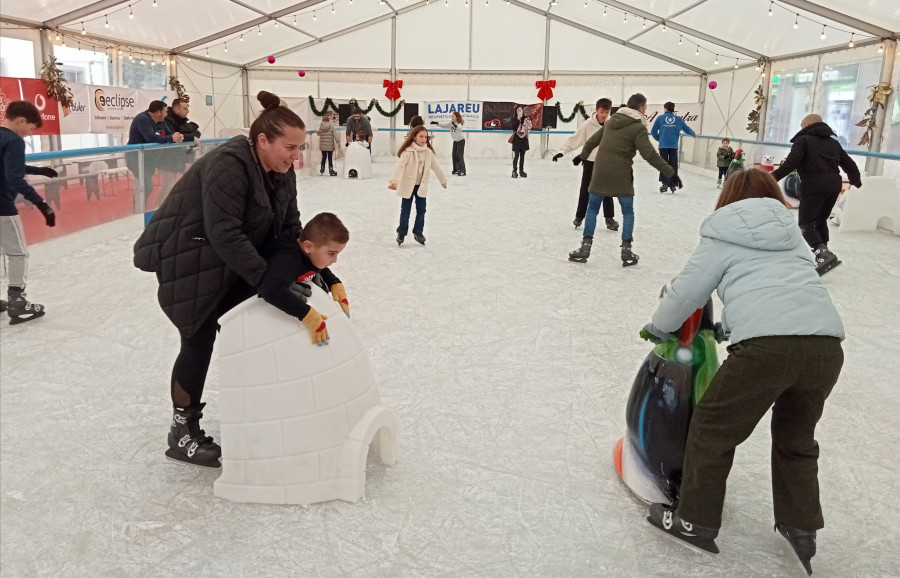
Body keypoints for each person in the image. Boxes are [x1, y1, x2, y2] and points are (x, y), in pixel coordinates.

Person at [642, 169, 845, 576]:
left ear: (729, 196)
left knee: (713, 427)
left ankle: (694, 520)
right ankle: (802, 525)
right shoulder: (792, 237)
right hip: (825, 346)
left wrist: (658, 327)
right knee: (796, 440)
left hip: (768, 349)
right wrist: (730, 329)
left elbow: (686, 291)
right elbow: (782, 292)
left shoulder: (721, 232)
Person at [133, 91, 305, 468]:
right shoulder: (229, 164)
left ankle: (261, 411)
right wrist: (269, 282)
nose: (296, 156)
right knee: (199, 339)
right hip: (191, 259)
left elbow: (289, 226)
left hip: (233, 259)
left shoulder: (282, 171)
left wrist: (305, 270)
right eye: (290, 147)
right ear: (262, 140)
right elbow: (224, 233)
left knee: (256, 327)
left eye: (299, 148)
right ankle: (182, 431)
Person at [568, 93, 679, 266]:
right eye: (646, 107)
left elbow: (591, 142)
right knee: (628, 212)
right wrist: (670, 172)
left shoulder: (611, 121)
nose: (646, 109)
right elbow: (649, 154)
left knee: (592, 209)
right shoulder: (638, 127)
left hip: (600, 172)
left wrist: (582, 156)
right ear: (641, 108)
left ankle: (585, 248)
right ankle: (626, 251)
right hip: (622, 174)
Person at [771, 113, 861, 276]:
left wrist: (771, 178)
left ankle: (823, 255)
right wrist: (856, 181)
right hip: (833, 186)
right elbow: (849, 163)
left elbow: (791, 163)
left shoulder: (803, 141)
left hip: (813, 186)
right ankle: (824, 254)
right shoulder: (833, 143)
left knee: (805, 223)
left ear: (807, 126)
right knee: (819, 220)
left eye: (801, 126)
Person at [0, 100, 57, 323]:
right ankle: (18, 302)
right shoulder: (14, 140)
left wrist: (37, 169)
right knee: (18, 253)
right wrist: (42, 204)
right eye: (31, 129)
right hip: (2, 207)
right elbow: (14, 178)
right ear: (21, 121)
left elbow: (6, 165)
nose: (29, 134)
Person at [258, 212, 350, 346]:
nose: (335, 260)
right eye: (331, 254)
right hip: (257, 316)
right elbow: (270, 290)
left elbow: (316, 265)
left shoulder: (310, 253)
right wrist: (308, 315)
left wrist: (334, 282)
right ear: (308, 246)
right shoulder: (287, 259)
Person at [553, 98, 618, 230]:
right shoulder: (588, 125)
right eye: (602, 112)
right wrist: (562, 151)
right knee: (586, 190)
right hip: (590, 162)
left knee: (607, 191)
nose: (604, 115)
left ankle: (609, 219)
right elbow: (575, 139)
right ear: (596, 110)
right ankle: (579, 216)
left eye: (607, 112)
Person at [389, 125, 447, 246]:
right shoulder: (408, 152)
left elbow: (436, 167)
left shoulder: (428, 152)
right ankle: (401, 232)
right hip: (408, 186)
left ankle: (418, 232)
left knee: (421, 210)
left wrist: (443, 180)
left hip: (421, 186)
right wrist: (394, 180)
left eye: (425, 137)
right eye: (421, 136)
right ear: (414, 137)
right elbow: (399, 166)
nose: (423, 139)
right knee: (405, 210)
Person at [126, 100, 184, 208]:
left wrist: (176, 136)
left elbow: (169, 134)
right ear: (158, 112)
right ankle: (138, 210)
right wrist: (171, 138)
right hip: (135, 157)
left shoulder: (161, 120)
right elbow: (151, 138)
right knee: (145, 185)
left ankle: (141, 208)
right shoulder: (142, 119)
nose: (166, 115)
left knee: (146, 185)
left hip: (149, 159)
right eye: (165, 112)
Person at [158, 98, 201, 203]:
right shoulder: (167, 120)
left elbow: (197, 133)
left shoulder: (182, 120)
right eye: (185, 108)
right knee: (167, 185)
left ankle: (165, 206)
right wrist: (190, 137)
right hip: (166, 158)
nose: (188, 111)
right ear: (176, 109)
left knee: (173, 185)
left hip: (179, 156)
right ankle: (158, 208)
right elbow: (175, 136)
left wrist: (189, 136)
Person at [651, 101, 695, 193]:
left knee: (664, 164)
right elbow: (686, 128)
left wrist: (660, 139)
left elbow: (653, 132)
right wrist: (693, 133)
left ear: (665, 108)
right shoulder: (678, 119)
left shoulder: (660, 118)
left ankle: (665, 184)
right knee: (673, 165)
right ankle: (672, 184)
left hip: (663, 145)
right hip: (673, 145)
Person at [431, 111, 467, 177]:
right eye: (451, 116)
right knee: (454, 155)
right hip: (455, 141)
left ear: (456, 117)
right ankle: (456, 169)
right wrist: (437, 123)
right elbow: (444, 125)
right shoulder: (451, 123)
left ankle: (462, 171)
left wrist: (454, 125)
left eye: (453, 116)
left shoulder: (459, 123)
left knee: (459, 156)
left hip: (461, 141)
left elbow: (459, 128)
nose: (452, 117)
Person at [511, 106, 531, 178]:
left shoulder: (526, 119)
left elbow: (529, 127)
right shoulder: (513, 119)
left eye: (521, 110)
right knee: (516, 156)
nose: (520, 111)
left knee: (522, 156)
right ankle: (514, 171)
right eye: (518, 110)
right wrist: (518, 119)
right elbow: (514, 128)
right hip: (517, 139)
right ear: (516, 111)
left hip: (524, 139)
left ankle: (521, 171)